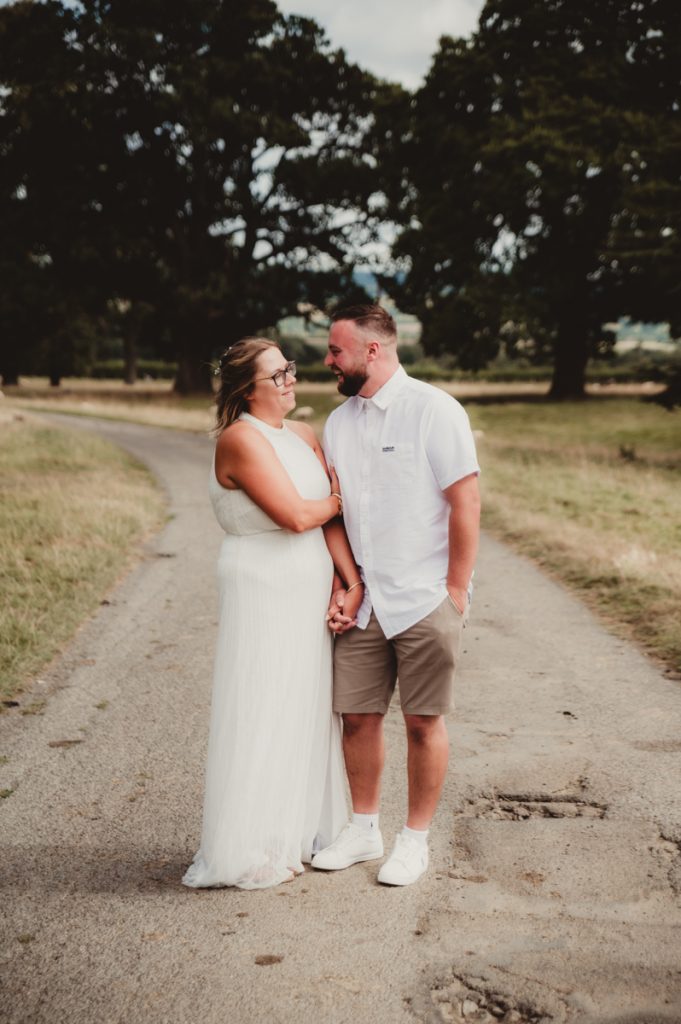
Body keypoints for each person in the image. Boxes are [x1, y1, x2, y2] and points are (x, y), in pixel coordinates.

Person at [183, 338, 363, 890]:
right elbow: (294, 514)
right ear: (245, 390)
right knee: (264, 701)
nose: (290, 380)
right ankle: (253, 842)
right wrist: (339, 496)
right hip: (262, 586)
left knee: (306, 702)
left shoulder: (305, 434)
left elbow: (326, 524)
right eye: (276, 374)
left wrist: (350, 583)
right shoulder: (240, 439)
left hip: (307, 585)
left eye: (289, 369)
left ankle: (301, 827)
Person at [311, 305, 481, 886]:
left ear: (372, 351)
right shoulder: (338, 424)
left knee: (421, 723)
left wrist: (454, 591)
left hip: (422, 598)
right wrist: (345, 585)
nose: (328, 360)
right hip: (365, 603)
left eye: (336, 351)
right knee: (356, 718)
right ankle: (363, 831)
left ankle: (415, 842)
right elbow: (336, 515)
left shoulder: (434, 411)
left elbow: (466, 502)